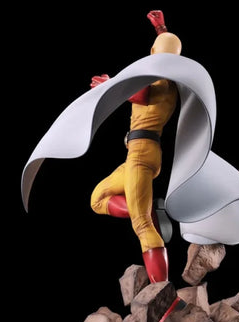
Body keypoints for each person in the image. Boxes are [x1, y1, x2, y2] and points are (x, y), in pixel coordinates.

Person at [90, 11, 181, 286]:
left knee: (142, 226)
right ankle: (145, 204)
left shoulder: (160, 83)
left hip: (141, 155)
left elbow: (138, 94)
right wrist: (161, 29)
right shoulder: (169, 81)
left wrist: (110, 85)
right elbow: (167, 50)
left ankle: (165, 296)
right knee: (98, 199)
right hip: (138, 155)